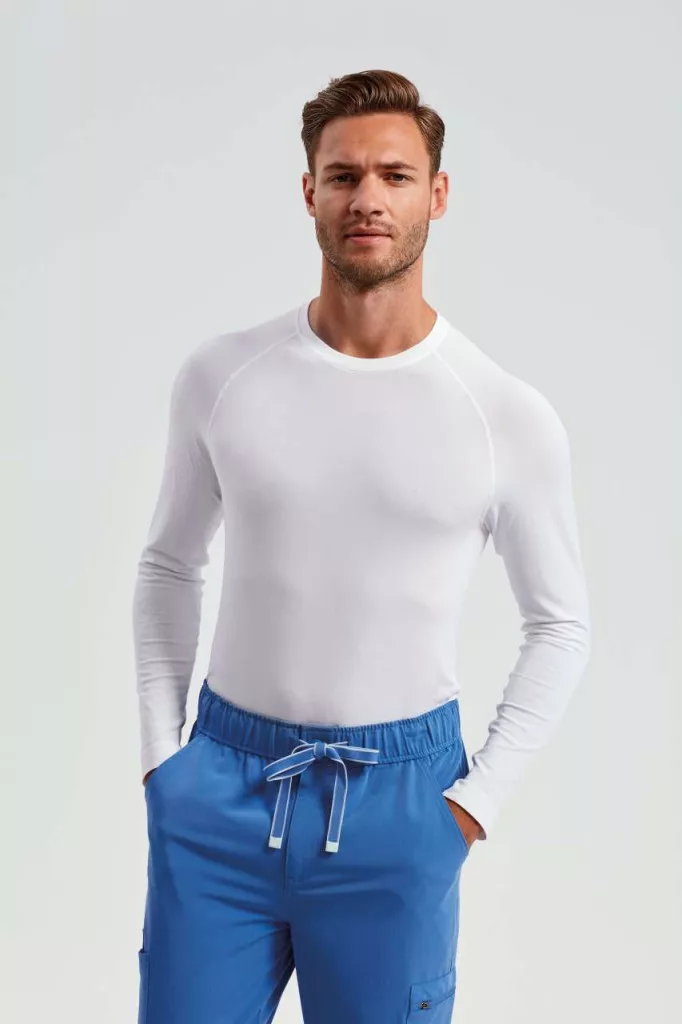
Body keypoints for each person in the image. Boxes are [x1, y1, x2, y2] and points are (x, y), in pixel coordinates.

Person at [133, 68, 591, 1024]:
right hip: (218, 792)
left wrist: (471, 807)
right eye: (343, 176)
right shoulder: (224, 376)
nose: (367, 198)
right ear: (309, 192)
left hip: (401, 806)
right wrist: (161, 762)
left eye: (395, 175)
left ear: (438, 193)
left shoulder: (502, 413)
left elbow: (560, 624)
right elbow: (170, 564)